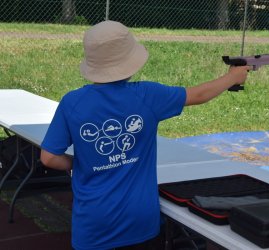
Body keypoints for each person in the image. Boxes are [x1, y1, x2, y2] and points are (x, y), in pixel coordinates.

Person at [40, 20, 250, 250]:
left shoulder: (72, 102)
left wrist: (78, 163)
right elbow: (199, 94)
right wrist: (233, 77)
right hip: (139, 221)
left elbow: (49, 157)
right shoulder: (148, 96)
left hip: (93, 223)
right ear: (130, 61)